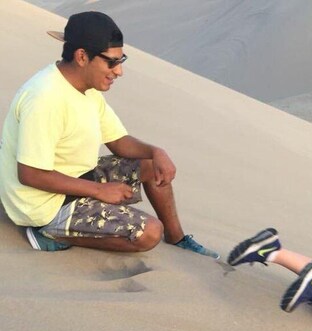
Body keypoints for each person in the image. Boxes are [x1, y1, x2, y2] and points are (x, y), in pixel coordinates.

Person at [0, 11, 217, 257]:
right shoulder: (45, 98)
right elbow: (30, 174)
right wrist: (99, 191)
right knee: (148, 233)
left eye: (120, 60)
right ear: (82, 57)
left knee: (150, 164)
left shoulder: (86, 89)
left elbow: (118, 141)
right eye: (111, 62)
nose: (119, 71)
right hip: (43, 204)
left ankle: (177, 238)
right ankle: (49, 231)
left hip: (75, 177)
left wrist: (156, 152)